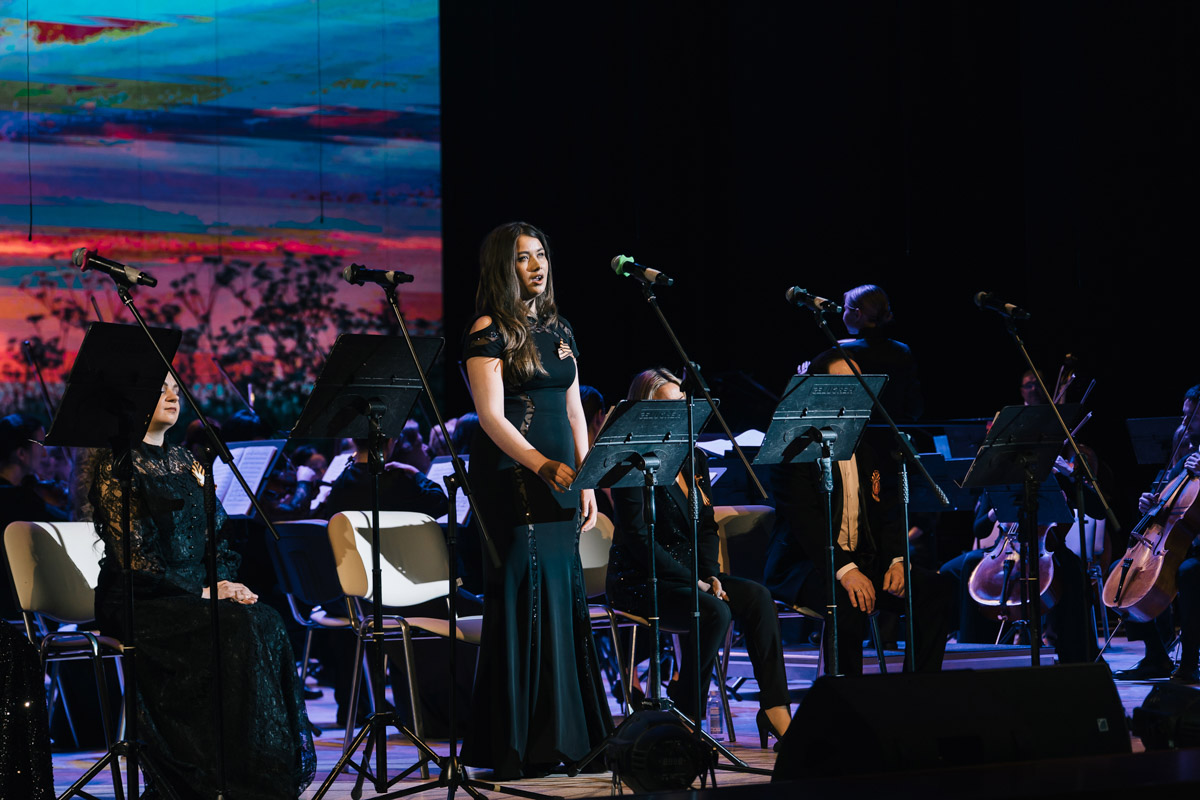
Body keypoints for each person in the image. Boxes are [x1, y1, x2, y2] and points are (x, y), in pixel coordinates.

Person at [83, 375, 316, 799]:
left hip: (192, 594)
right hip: (141, 597)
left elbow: (218, 537)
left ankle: (254, 773)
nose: (173, 395)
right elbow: (137, 560)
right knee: (233, 628)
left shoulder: (187, 463)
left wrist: (225, 580)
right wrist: (205, 592)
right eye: (159, 388)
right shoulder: (117, 467)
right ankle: (210, 775)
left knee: (265, 620)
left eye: (174, 386)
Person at [459, 221, 611, 779]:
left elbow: (575, 411)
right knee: (526, 602)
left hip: (567, 484)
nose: (536, 266)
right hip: (516, 481)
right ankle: (520, 744)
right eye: (524, 258)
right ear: (505, 267)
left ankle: (570, 737)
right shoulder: (489, 330)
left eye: (541, 255)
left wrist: (588, 478)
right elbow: (491, 417)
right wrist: (543, 465)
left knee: (563, 600)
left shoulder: (560, 329)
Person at [607, 368, 792, 748]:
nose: (682, 411)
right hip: (642, 580)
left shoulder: (693, 457)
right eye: (671, 405)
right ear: (646, 410)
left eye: (682, 403)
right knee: (713, 612)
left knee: (757, 597)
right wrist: (697, 582)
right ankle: (687, 717)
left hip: (695, 577)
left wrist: (712, 575)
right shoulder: (628, 460)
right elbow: (639, 539)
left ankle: (775, 708)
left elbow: (706, 526)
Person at [763, 349, 952, 675]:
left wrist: (896, 559)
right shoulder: (793, 445)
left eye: (857, 384)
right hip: (808, 565)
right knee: (847, 597)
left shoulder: (868, 441)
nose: (851, 393)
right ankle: (848, 702)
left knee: (935, 589)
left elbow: (889, 508)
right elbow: (805, 523)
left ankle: (919, 692)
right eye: (841, 384)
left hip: (863, 558)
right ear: (818, 389)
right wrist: (845, 570)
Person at [1112, 384, 1200, 683]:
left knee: (1189, 573)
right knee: (1122, 573)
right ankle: (1156, 657)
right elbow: (1164, 499)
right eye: (1184, 416)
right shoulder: (1187, 458)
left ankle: (1189, 662)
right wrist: (1149, 502)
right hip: (1175, 545)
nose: (1184, 424)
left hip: (1195, 552)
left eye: (1191, 418)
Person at [0, 413, 68, 620]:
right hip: (16, 604)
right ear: (21, 454)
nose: (46, 456)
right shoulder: (17, 498)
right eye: (40, 444)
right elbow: (65, 525)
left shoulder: (24, 492)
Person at [837, 284, 923, 422]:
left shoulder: (844, 352)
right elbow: (914, 407)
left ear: (857, 313)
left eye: (846, 309)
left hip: (859, 437)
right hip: (895, 436)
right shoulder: (902, 350)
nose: (843, 314)